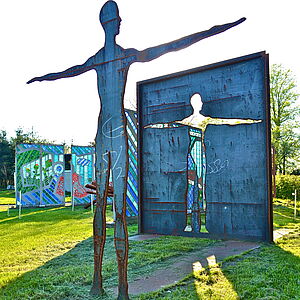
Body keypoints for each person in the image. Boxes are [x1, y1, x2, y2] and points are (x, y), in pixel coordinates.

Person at [27, 1, 245, 299]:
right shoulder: (109, 57)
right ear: (109, 23)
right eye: (116, 19)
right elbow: (68, 71)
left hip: (109, 132)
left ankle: (121, 287)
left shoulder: (111, 58)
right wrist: (42, 77)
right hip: (107, 133)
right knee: (105, 208)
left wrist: (214, 30)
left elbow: (171, 46)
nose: (120, 23)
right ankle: (99, 282)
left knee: (113, 209)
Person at [146, 93, 261, 233]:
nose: (199, 104)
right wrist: (150, 125)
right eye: (197, 102)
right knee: (190, 185)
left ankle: (203, 220)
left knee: (202, 185)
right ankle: (190, 220)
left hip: (200, 153)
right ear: (194, 104)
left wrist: (250, 121)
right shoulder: (186, 121)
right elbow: (166, 125)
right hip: (190, 154)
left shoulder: (204, 120)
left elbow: (226, 121)